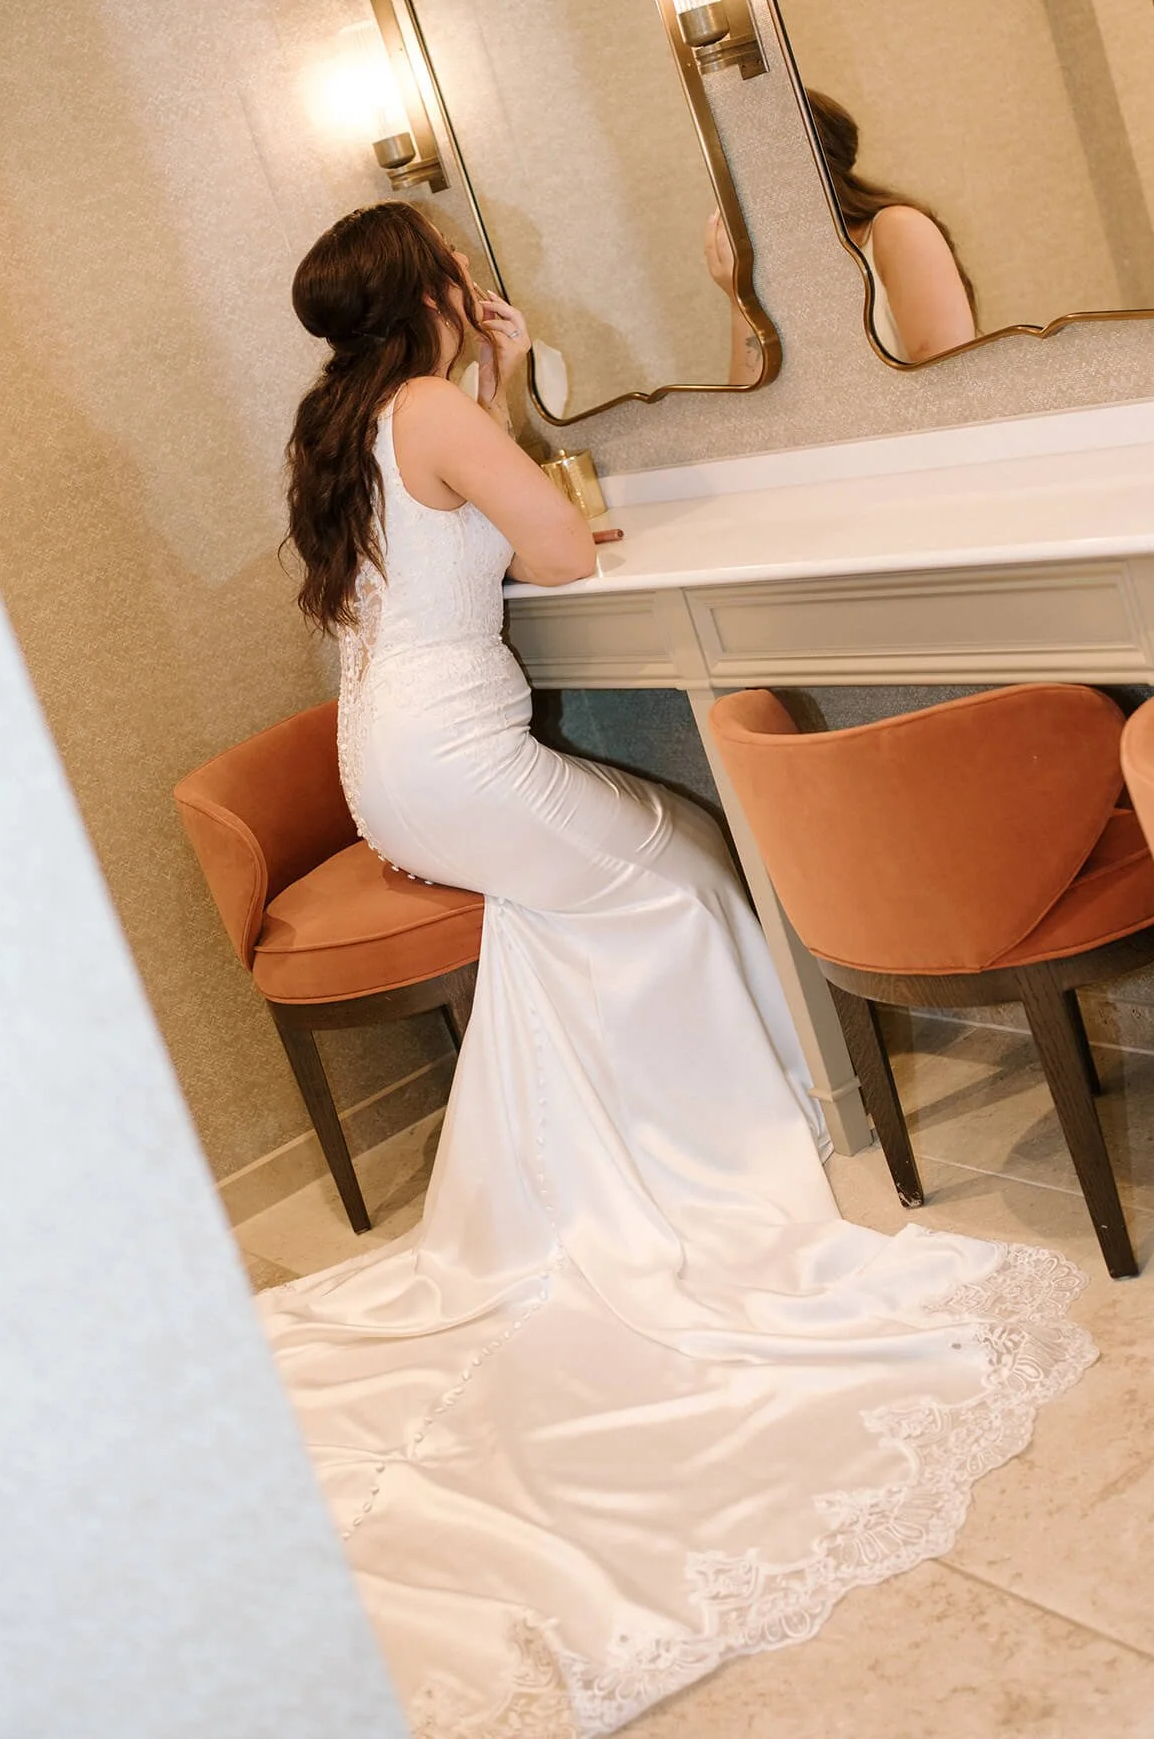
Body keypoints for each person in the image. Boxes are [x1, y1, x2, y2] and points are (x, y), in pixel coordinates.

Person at [264, 198, 1090, 1737]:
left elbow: (474, 529)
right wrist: (500, 401)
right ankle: (740, 1134)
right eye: (457, 253)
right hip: (453, 754)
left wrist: (501, 398)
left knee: (589, 903)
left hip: (391, 763)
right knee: (688, 873)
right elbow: (562, 547)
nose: (478, 266)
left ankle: (624, 1153)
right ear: (432, 286)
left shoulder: (360, 415)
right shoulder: (434, 401)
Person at [704, 92, 976, 371]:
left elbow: (955, 381)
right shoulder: (774, 274)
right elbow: (753, 410)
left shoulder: (899, 230)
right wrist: (741, 298)